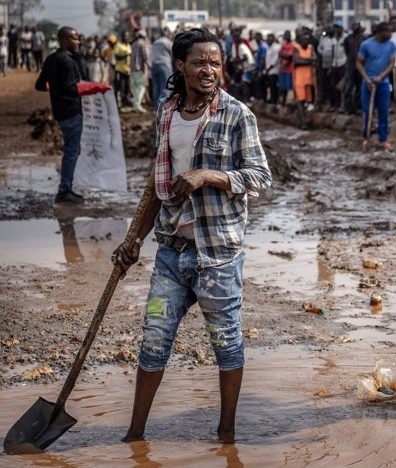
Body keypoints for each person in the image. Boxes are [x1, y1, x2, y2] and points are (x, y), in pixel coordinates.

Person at [111, 27, 272, 445]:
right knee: (153, 341)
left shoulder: (237, 114)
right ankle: (134, 435)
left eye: (215, 63)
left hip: (217, 254)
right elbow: (156, 183)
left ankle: (227, 434)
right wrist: (133, 240)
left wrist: (209, 175)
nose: (209, 70)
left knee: (226, 344)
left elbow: (260, 176)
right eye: (200, 62)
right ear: (179, 65)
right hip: (171, 252)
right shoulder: (167, 113)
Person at [35, 27, 109, 204]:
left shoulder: (51, 59)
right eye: (75, 38)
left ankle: (67, 186)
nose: (78, 42)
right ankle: (64, 190)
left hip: (59, 110)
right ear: (66, 39)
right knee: (71, 150)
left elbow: (39, 85)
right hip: (71, 111)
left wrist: (56, 89)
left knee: (73, 149)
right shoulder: (68, 62)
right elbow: (71, 88)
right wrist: (96, 88)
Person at [357, 22, 396, 151]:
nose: (391, 34)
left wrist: (381, 76)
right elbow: (359, 62)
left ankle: (383, 139)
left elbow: (391, 63)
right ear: (381, 32)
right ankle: (366, 138)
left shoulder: (391, 45)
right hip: (368, 84)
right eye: (388, 32)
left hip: (383, 84)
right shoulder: (366, 44)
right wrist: (367, 79)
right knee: (367, 111)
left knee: (383, 112)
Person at [293, 33, 316, 128]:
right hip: (299, 79)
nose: (306, 42)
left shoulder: (311, 47)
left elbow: (315, 58)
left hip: (309, 79)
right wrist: (309, 60)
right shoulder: (296, 48)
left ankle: (302, 121)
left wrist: (303, 59)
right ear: (300, 41)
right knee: (300, 101)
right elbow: (296, 60)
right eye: (304, 40)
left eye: (307, 40)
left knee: (308, 102)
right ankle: (302, 123)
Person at [343, 22, 365, 114]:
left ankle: (358, 107)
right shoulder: (348, 39)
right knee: (348, 87)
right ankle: (348, 107)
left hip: (361, 66)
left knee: (360, 88)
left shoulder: (364, 39)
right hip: (350, 65)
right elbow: (346, 50)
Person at [151, 28, 174, 105]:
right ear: (166, 34)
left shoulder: (155, 42)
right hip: (164, 65)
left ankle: (157, 107)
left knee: (156, 87)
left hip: (154, 65)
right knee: (166, 86)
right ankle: (162, 107)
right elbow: (173, 53)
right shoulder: (167, 42)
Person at [130, 30, 150, 113]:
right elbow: (145, 56)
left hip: (133, 68)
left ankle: (136, 105)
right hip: (139, 68)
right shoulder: (142, 44)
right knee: (141, 87)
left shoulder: (134, 44)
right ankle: (137, 105)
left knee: (135, 87)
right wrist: (149, 65)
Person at [113, 31, 132, 108]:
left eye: (127, 36)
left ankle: (125, 104)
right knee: (120, 88)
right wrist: (126, 55)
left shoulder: (128, 45)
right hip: (120, 70)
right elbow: (117, 57)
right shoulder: (118, 45)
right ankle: (119, 105)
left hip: (128, 71)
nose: (126, 37)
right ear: (122, 37)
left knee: (127, 89)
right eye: (125, 36)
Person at [278, 30, 295, 106]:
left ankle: (290, 102)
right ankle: (283, 102)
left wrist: (284, 56)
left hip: (289, 69)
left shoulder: (292, 45)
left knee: (289, 86)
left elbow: (289, 56)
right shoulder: (283, 45)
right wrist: (284, 56)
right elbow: (280, 54)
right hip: (283, 69)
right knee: (282, 87)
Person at [264, 33, 280, 104]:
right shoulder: (268, 47)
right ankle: (271, 99)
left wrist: (268, 69)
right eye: (267, 39)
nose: (268, 40)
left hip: (274, 70)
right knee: (270, 86)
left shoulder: (276, 48)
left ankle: (274, 101)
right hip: (269, 70)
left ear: (273, 39)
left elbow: (275, 60)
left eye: (270, 39)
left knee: (274, 86)